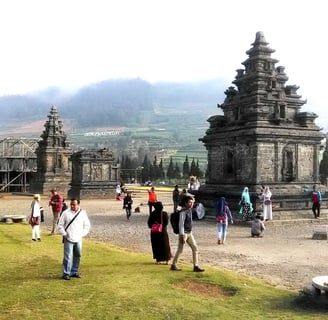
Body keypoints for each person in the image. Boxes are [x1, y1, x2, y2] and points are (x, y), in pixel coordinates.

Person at [57, 199, 91, 280]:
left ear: (78, 204)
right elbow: (60, 225)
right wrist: (64, 234)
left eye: (74, 204)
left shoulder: (82, 213)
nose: (72, 206)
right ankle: (66, 273)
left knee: (77, 255)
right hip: (68, 238)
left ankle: (74, 271)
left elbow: (87, 225)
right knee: (68, 256)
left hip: (78, 238)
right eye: (71, 204)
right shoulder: (65, 213)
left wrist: (82, 234)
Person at [170, 195, 204, 272]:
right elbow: (181, 224)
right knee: (180, 250)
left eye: (192, 202)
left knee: (195, 248)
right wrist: (182, 235)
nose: (191, 204)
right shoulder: (183, 212)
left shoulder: (189, 210)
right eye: (189, 202)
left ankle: (196, 266)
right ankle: (174, 264)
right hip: (184, 233)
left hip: (189, 232)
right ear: (185, 203)